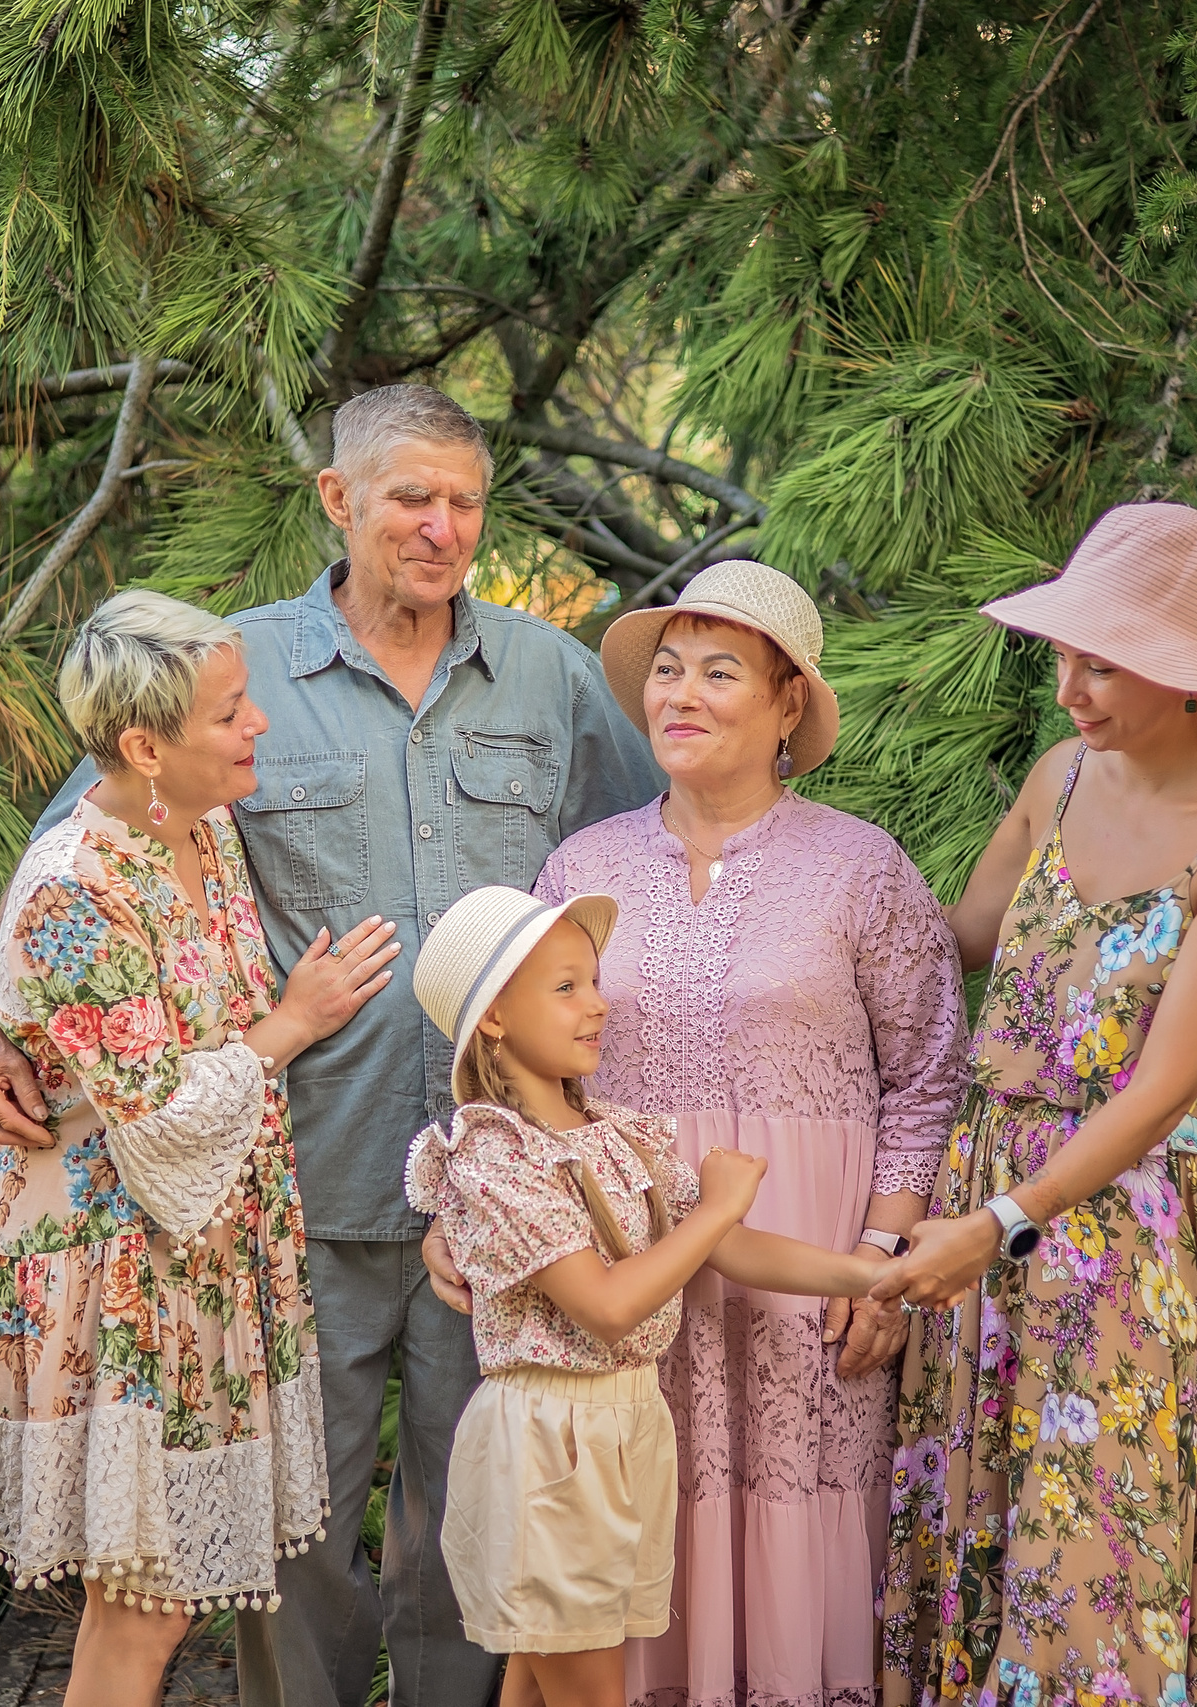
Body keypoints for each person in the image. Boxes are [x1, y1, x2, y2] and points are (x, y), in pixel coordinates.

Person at [0, 385, 664, 1707]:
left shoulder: (552, 674)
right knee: (296, 1532)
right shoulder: (234, 672)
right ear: (338, 500)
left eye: (465, 500)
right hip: (295, 1186)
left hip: (498, 1189)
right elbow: (71, 846)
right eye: (412, 496)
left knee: (475, 1518)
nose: (443, 527)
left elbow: (648, 855)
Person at [424, 560, 967, 1707]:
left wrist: (878, 1258)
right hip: (621, 1254)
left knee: (796, 1494)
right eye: (667, 668)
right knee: (619, 1522)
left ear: (786, 706)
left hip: (807, 1253)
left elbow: (926, 1079)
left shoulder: (861, 868)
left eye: (721, 671)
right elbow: (508, 1064)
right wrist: (465, 1228)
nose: (681, 692)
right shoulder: (585, 865)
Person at [866, 504, 1197, 1707]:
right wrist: (802, 870)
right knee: (981, 1529)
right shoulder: (1058, 775)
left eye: (1100, 662)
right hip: (983, 1191)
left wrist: (1003, 1220)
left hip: (1112, 1230)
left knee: (1090, 1556)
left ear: (1183, 672)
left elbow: (1164, 1092)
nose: (1067, 687)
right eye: (1063, 654)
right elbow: (956, 941)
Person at [0, 591, 401, 1707]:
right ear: (146, 746)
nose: (259, 730)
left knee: (157, 1595)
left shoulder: (196, 829)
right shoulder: (76, 889)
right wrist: (297, 1017)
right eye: (231, 715)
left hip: (192, 1262)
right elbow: (161, 1117)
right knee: (144, 1600)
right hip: (114, 1272)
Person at [402, 885, 890, 1707]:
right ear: (491, 1018)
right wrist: (721, 1204)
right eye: (565, 988)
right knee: (586, 1686)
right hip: (551, 1447)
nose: (597, 1006)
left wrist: (872, 1273)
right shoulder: (493, 1155)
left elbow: (725, 1248)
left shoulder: (617, 1131)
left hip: (627, 1429)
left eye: (594, 982)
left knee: (539, 1676)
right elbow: (607, 1304)